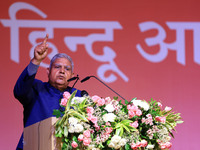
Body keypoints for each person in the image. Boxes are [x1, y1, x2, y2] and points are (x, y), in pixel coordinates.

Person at [13, 34, 86, 150]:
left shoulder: (79, 96)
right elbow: (19, 91)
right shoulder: (36, 88)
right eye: (57, 67)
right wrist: (36, 61)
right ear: (48, 71)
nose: (62, 71)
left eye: (67, 69)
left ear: (72, 76)